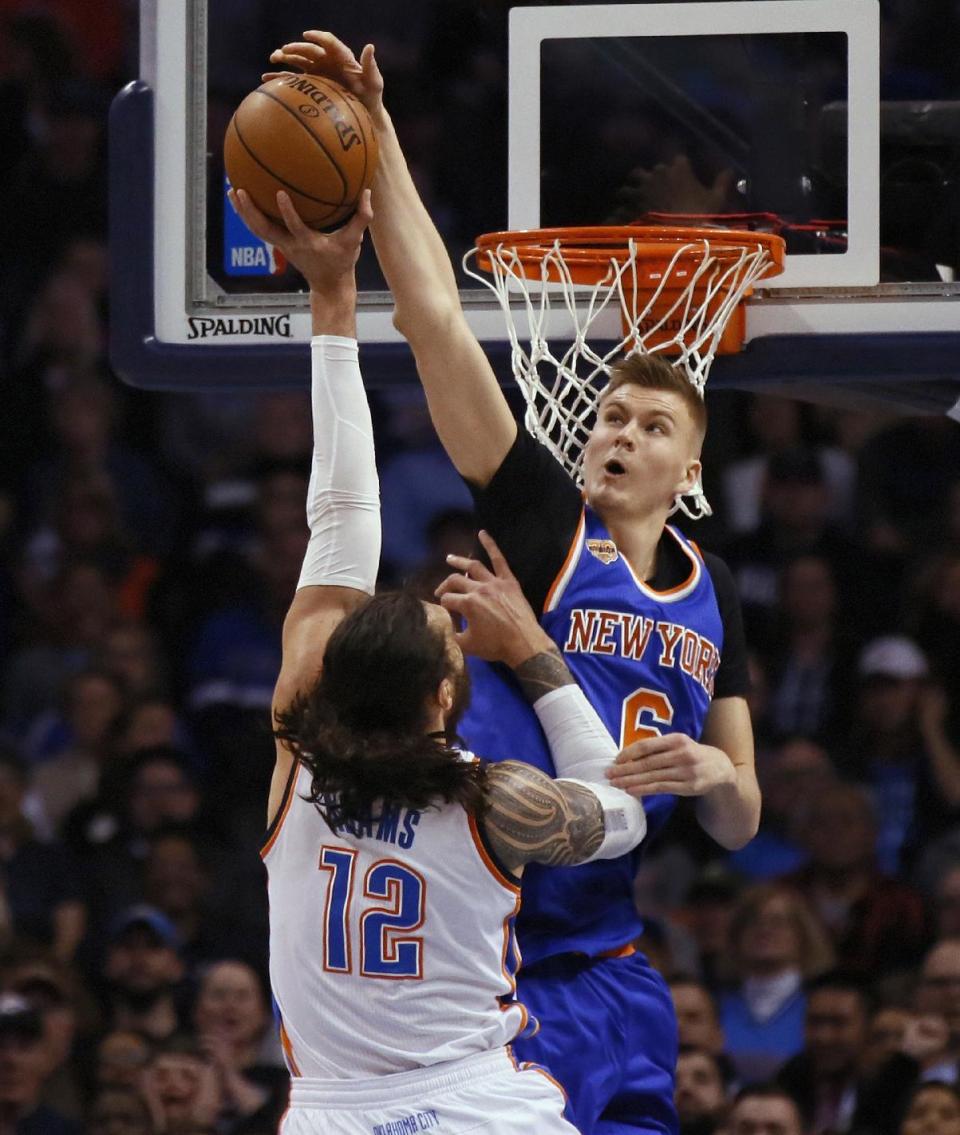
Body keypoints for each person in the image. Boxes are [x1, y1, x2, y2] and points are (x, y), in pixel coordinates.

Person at [263, 30, 759, 1135]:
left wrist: (718, 769)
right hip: (498, 931)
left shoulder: (717, 588)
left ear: (694, 468)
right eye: (612, 415)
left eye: (654, 422)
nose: (621, 429)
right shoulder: (544, 524)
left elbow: (738, 818)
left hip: (615, 948)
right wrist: (379, 140)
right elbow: (438, 320)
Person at [229, 182, 648, 1133]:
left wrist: (328, 298)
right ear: (446, 693)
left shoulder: (295, 752)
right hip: (472, 1107)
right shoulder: (497, 799)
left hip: (328, 1113)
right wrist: (540, 657)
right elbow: (622, 812)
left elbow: (337, 516)